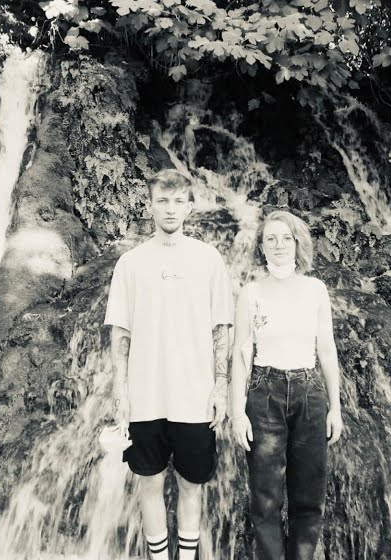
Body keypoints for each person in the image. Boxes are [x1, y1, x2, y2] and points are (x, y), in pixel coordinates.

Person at [105, 169, 234, 560]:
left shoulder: (208, 259)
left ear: (190, 207)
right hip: (145, 396)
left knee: (192, 485)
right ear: (150, 205)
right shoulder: (130, 263)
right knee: (149, 484)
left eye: (178, 201)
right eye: (162, 201)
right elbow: (120, 333)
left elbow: (221, 327)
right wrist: (120, 392)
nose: (170, 209)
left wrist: (220, 387)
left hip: (195, 396)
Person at [229, 209, 344, 560]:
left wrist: (336, 409)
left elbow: (326, 350)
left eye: (286, 238)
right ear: (261, 247)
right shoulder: (251, 293)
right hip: (264, 395)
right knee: (265, 498)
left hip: (310, 394)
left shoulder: (315, 290)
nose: (279, 245)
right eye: (271, 239)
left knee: (309, 498)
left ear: (297, 243)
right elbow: (241, 353)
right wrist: (237, 413)